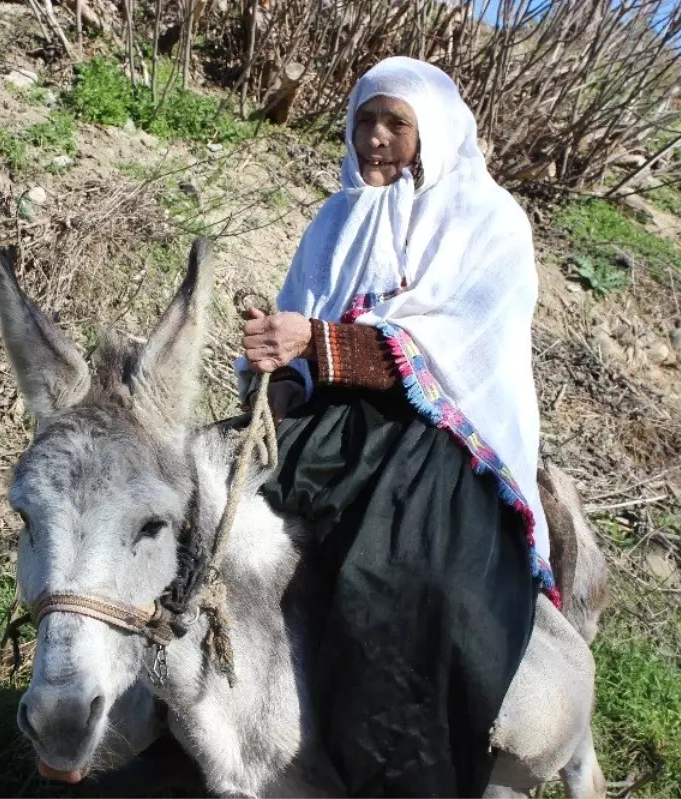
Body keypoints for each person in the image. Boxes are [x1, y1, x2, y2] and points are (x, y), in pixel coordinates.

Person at [236, 56, 559, 798]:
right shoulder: (334, 219)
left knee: (403, 574)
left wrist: (316, 341)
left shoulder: (492, 222)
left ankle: (402, 770)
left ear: (434, 130)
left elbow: (458, 345)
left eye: (396, 123)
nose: (376, 138)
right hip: (330, 425)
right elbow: (301, 315)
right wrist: (279, 373)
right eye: (365, 122)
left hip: (436, 436)